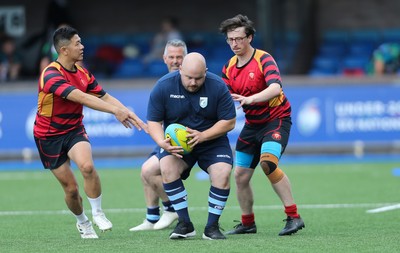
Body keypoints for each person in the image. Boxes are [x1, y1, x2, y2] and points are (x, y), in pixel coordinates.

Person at [33, 26, 147, 239]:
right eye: (77, 43)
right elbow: (80, 97)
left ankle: (98, 212)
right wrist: (115, 111)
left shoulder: (83, 72)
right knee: (71, 190)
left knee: (87, 166)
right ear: (64, 50)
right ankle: (83, 222)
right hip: (48, 136)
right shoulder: (50, 74)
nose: (82, 46)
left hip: (74, 129)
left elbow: (103, 96)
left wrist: (128, 113)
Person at [219, 14, 305, 236]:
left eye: (238, 38)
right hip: (253, 126)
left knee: (268, 164)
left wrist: (251, 99)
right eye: (230, 39)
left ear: (249, 38)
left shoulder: (264, 59)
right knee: (240, 175)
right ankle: (248, 223)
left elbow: (275, 88)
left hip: (276, 120)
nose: (234, 44)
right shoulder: (228, 67)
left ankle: (294, 217)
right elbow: (224, 97)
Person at [146, 52, 236, 240]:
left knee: (222, 172)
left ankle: (212, 227)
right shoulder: (163, 85)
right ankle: (185, 224)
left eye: (198, 78)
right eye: (189, 77)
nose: (193, 83)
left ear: (206, 72)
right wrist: (161, 142)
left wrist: (203, 136)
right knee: (166, 167)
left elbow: (229, 121)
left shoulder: (218, 86)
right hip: (178, 145)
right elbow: (153, 121)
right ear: (180, 70)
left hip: (212, 141)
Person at [129, 39, 187, 231]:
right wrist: (159, 138)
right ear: (164, 59)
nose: (176, 61)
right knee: (144, 172)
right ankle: (151, 218)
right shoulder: (162, 85)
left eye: (180, 57)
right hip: (168, 139)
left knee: (148, 170)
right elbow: (155, 119)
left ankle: (171, 208)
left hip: (188, 142)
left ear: (186, 58)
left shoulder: (193, 79)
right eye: (171, 57)